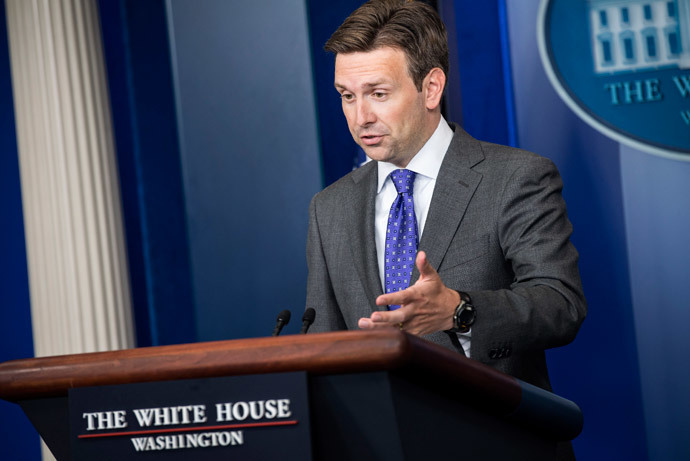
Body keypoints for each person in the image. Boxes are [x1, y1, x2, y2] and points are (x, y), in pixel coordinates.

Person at [305, 0, 586, 393]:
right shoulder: (329, 208)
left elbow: (560, 305)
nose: (360, 116)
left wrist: (458, 310)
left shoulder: (515, 178)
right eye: (347, 96)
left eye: (378, 93)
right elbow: (325, 348)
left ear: (431, 87)